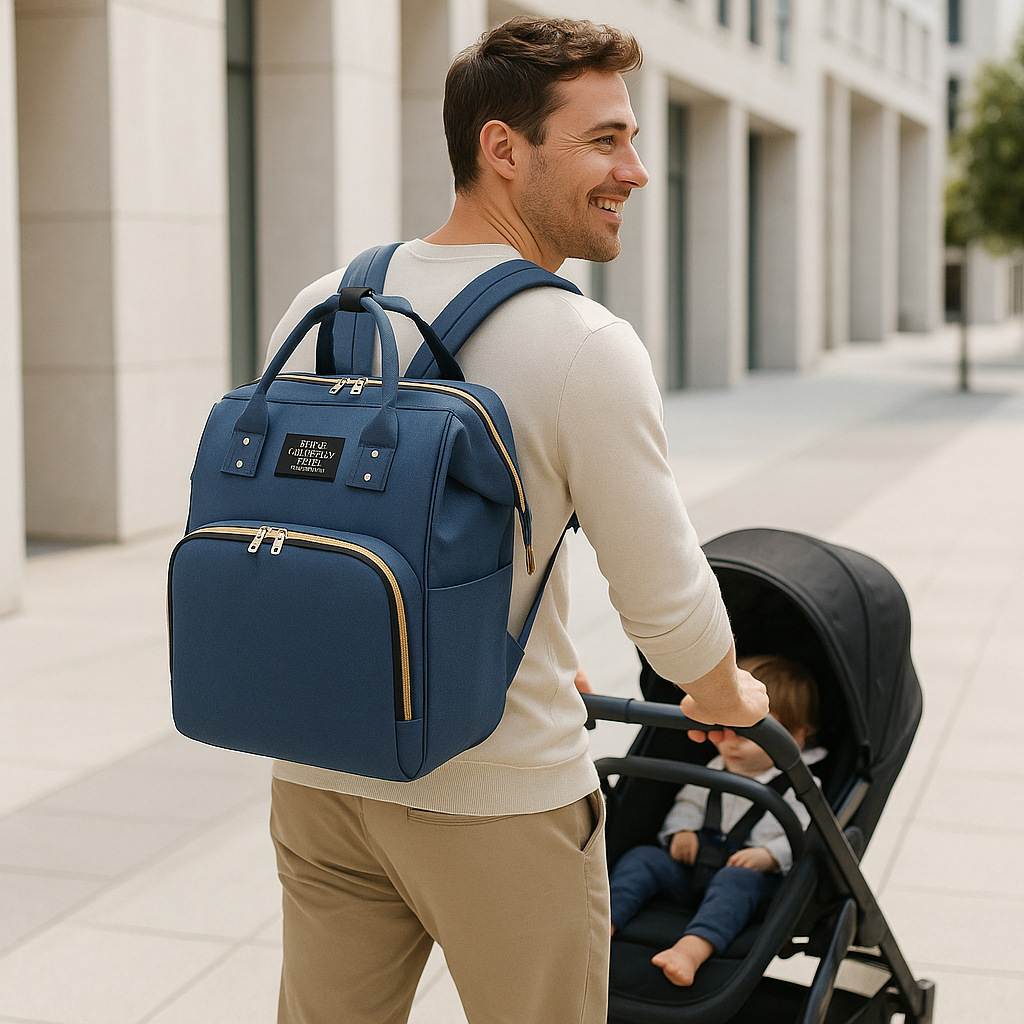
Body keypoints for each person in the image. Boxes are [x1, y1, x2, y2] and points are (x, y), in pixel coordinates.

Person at [266, 17, 770, 1024]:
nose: (634, 168)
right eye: (603, 139)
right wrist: (729, 694)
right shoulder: (582, 341)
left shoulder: (328, 302)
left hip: (320, 775)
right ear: (502, 148)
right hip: (497, 797)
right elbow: (669, 611)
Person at [608, 655, 825, 987]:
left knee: (735, 883)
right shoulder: (714, 766)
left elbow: (805, 834)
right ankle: (601, 924)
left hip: (751, 880)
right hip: (695, 866)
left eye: (747, 734)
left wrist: (768, 857)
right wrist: (681, 831)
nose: (730, 742)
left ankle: (691, 950)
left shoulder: (801, 786)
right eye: (722, 729)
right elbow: (689, 803)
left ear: (796, 736)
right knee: (642, 859)